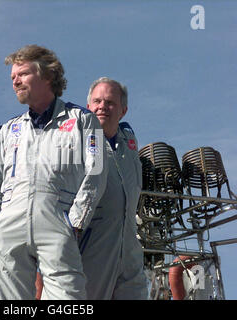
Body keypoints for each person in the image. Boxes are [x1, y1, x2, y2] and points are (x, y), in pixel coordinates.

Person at [0, 45, 107, 300]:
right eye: (13, 76)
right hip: (9, 227)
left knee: (68, 299)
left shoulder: (83, 120)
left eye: (23, 74)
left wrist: (75, 222)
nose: (15, 80)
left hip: (58, 222)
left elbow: (96, 173)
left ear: (48, 75)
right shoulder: (10, 130)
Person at [79, 77, 148, 299]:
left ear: (123, 110)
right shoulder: (74, 145)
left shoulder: (128, 145)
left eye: (110, 103)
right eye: (97, 101)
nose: (102, 107)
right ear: (88, 106)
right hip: (91, 253)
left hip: (129, 255)